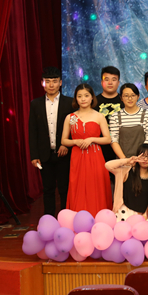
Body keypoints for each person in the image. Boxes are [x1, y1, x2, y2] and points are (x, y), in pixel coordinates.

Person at [28, 67, 74, 216]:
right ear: (43, 83)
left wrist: (66, 144)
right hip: (44, 154)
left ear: (60, 83)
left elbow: (75, 127)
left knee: (64, 188)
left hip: (64, 153)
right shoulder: (35, 104)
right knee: (47, 189)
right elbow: (32, 130)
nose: (51, 85)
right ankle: (49, 218)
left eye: (54, 81)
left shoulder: (70, 103)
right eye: (47, 81)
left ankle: (65, 217)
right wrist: (34, 155)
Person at [61, 84, 112, 216]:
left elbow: (108, 139)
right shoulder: (70, 117)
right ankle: (78, 218)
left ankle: (98, 217)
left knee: (95, 186)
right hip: (77, 157)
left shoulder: (99, 116)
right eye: (79, 96)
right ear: (76, 99)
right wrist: (75, 141)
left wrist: (92, 139)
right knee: (77, 186)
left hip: (95, 156)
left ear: (92, 97)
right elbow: (63, 141)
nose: (83, 99)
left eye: (86, 96)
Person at [105, 144, 148, 221]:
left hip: (143, 215)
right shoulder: (127, 171)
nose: (145, 159)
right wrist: (128, 160)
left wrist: (145, 215)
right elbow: (108, 165)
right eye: (143, 156)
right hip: (124, 212)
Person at [109, 83, 148, 159]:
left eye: (133, 95)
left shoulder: (147, 114)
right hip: (122, 160)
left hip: (143, 159)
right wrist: (125, 160)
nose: (130, 99)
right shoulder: (115, 116)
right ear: (121, 98)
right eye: (126, 96)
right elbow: (114, 140)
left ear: (138, 96)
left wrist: (140, 158)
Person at [95, 66, 122, 163]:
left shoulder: (125, 101)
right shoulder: (93, 102)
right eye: (106, 79)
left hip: (122, 148)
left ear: (118, 82)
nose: (110, 83)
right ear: (101, 82)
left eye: (114, 80)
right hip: (99, 149)